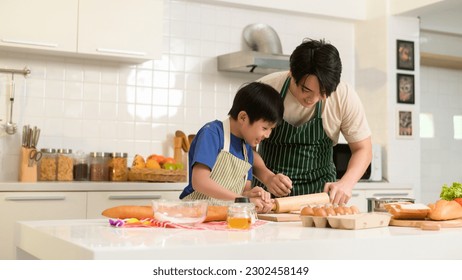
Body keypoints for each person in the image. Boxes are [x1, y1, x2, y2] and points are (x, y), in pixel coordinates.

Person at [252, 38, 372, 205]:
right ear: (292, 74)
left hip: (320, 199)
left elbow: (363, 149)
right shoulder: (267, 89)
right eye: (306, 90)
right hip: (268, 198)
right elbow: (246, 147)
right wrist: (268, 177)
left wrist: (346, 183)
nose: (313, 99)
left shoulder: (343, 95)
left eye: (323, 93)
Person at [179, 82, 284, 213]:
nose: (267, 135)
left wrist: (251, 196)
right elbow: (200, 181)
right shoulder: (212, 133)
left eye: (271, 130)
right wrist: (243, 200)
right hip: (194, 215)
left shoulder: (247, 151)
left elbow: (243, 192)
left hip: (223, 220)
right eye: (265, 128)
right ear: (243, 117)